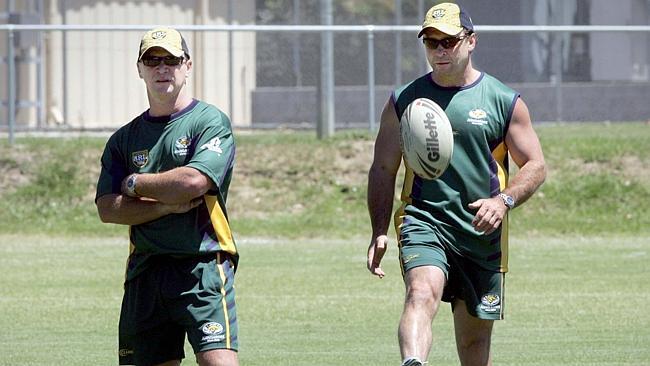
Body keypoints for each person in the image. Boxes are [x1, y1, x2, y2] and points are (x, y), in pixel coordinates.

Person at [366, 3, 546, 366]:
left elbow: (536, 165)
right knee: (420, 292)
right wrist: (379, 230)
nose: (440, 50)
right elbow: (383, 168)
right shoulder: (403, 100)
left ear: (471, 41)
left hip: (481, 232)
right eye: (432, 43)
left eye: (449, 41)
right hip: (424, 220)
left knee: (474, 345)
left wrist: (503, 202)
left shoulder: (503, 100)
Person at [95, 27, 239, 366]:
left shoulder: (209, 122)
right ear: (139, 68)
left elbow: (192, 182)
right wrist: (163, 206)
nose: (163, 69)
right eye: (153, 60)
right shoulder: (124, 138)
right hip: (146, 267)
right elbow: (107, 208)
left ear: (187, 66)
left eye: (171, 60)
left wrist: (133, 184)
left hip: (202, 264)